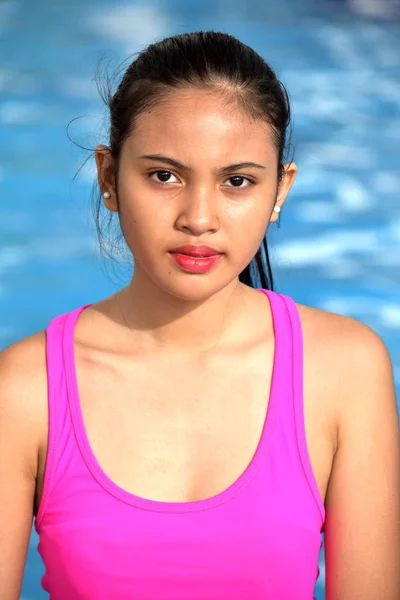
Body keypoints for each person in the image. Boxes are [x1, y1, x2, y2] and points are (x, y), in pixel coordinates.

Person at [1, 30, 399, 600]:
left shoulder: (344, 370)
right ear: (110, 178)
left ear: (279, 189)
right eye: (164, 175)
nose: (199, 217)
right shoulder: (24, 388)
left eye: (238, 181)